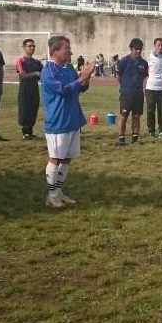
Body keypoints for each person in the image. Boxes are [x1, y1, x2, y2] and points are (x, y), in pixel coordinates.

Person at [41, 35, 95, 208]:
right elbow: (63, 90)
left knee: (67, 159)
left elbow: (79, 88)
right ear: (55, 51)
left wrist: (86, 77)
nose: (70, 51)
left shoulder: (69, 68)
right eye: (66, 49)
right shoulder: (48, 70)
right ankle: (51, 195)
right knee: (55, 158)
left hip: (73, 119)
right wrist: (81, 78)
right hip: (58, 121)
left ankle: (58, 192)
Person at [115, 38, 148, 146]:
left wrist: (143, 92)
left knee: (136, 117)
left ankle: (135, 138)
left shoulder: (144, 63)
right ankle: (121, 138)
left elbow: (143, 78)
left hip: (138, 95)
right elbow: (118, 77)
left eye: (140, 49)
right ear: (131, 49)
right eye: (136, 49)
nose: (138, 51)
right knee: (123, 116)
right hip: (126, 94)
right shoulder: (124, 61)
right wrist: (123, 89)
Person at [15, 38, 43, 140]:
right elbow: (23, 75)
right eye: (30, 46)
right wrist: (36, 74)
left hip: (34, 88)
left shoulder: (37, 62)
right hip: (24, 88)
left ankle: (30, 132)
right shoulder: (20, 61)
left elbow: (43, 75)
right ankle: (25, 133)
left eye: (33, 46)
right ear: (24, 47)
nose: (32, 48)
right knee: (25, 109)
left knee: (33, 108)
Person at [145, 38, 162, 138]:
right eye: (158, 45)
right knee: (150, 111)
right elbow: (145, 72)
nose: (160, 47)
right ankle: (151, 131)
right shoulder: (148, 58)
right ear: (154, 45)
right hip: (150, 88)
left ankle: (161, 131)